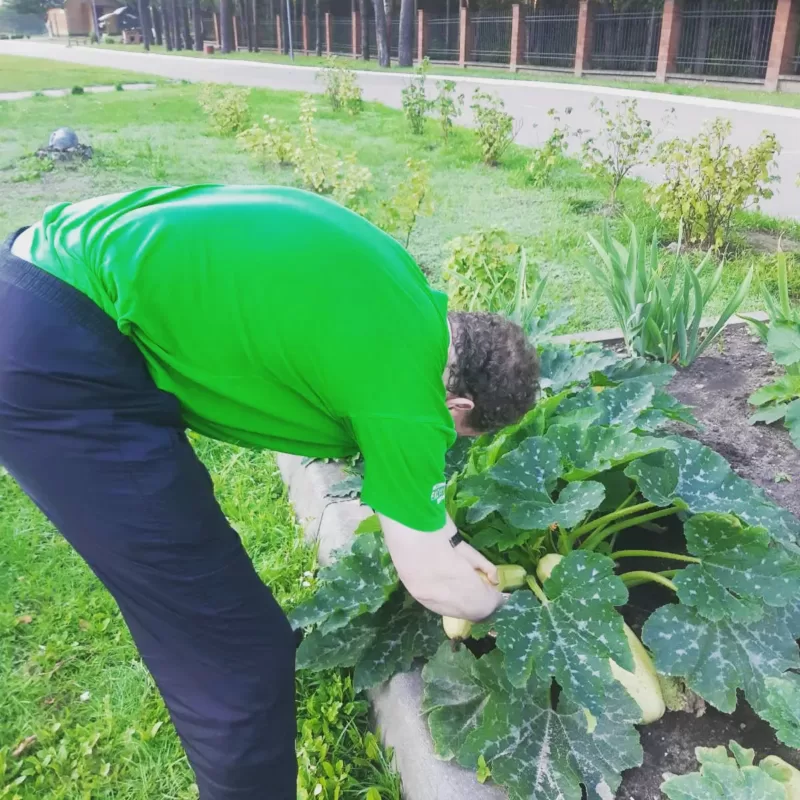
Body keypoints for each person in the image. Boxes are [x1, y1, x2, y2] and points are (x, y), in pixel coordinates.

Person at [0, 185, 539, 800]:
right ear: (458, 404)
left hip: (49, 266)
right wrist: (502, 605)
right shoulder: (409, 398)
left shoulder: (404, 293)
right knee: (238, 662)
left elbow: (419, 494)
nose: (441, 438)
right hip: (55, 358)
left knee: (221, 595)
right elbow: (434, 585)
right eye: (454, 431)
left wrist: (451, 535)